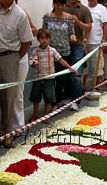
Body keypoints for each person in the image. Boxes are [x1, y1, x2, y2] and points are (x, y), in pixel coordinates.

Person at [0, 0, 33, 147]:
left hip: (9, 56)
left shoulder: (20, 15)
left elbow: (26, 42)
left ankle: (7, 133)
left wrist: (13, 59)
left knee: (9, 96)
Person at [29, 28, 77, 124]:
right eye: (41, 38)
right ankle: (35, 114)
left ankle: (46, 115)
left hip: (49, 79)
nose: (44, 40)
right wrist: (33, 63)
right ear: (38, 39)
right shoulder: (35, 51)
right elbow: (32, 63)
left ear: (49, 39)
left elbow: (60, 60)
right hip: (38, 78)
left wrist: (69, 67)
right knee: (36, 98)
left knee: (48, 98)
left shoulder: (52, 51)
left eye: (46, 38)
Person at [43, 0, 77, 111]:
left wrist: (72, 37)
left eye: (62, 5)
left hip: (64, 53)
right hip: (50, 52)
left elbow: (71, 32)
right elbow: (43, 33)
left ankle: (56, 103)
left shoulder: (69, 18)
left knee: (61, 79)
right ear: (54, 4)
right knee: (50, 80)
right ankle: (50, 103)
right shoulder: (47, 16)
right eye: (58, 4)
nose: (60, 7)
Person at [13, 0, 37, 129]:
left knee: (17, 93)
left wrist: (24, 30)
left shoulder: (21, 13)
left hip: (19, 55)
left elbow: (34, 30)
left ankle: (17, 126)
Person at [65, 0, 92, 111]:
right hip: (62, 45)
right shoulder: (63, 7)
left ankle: (76, 101)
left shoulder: (84, 10)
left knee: (76, 74)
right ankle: (62, 100)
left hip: (77, 46)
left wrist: (77, 22)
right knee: (63, 74)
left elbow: (88, 27)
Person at [85, 0, 107, 91]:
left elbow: (105, 25)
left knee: (95, 68)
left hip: (95, 42)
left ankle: (92, 89)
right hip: (84, 42)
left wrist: (103, 40)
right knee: (85, 69)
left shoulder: (101, 9)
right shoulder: (84, 7)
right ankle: (84, 88)